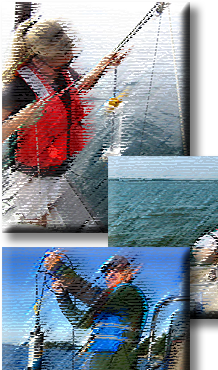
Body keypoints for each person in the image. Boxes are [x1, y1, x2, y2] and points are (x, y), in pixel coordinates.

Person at [2, 18, 131, 229]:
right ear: (41, 57)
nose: (70, 58)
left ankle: (44, 212)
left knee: (50, 199)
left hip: (57, 160)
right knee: (34, 216)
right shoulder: (16, 87)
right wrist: (21, 117)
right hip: (32, 170)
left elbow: (78, 88)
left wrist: (104, 66)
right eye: (64, 56)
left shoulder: (61, 70)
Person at [43, 251, 148, 370]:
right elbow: (79, 322)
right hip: (97, 369)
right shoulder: (108, 302)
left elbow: (92, 295)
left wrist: (58, 268)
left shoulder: (130, 293)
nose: (110, 275)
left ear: (129, 274)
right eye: (107, 272)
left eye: (117, 271)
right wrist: (61, 295)